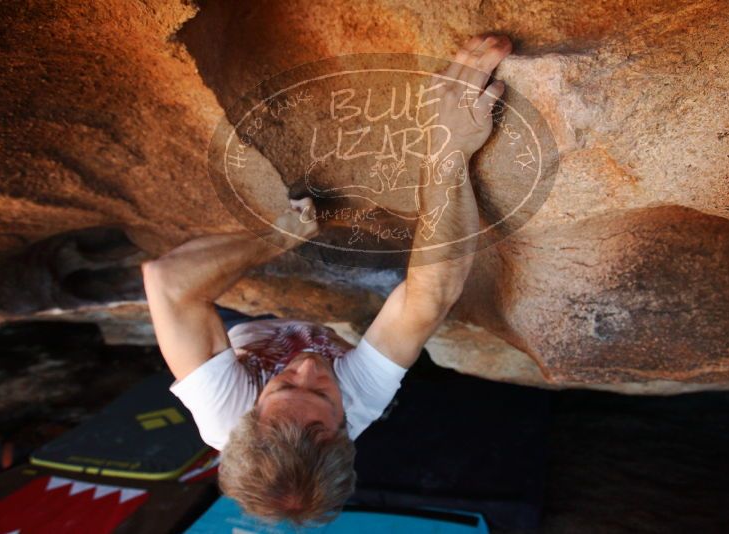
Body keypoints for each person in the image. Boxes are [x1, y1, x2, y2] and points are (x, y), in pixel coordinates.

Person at [142, 33, 513, 525]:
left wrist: (281, 233)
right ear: (342, 425)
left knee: (194, 280)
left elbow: (166, 281)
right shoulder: (356, 407)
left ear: (250, 417)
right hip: (339, 335)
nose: (304, 367)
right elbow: (429, 297)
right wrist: (448, 147)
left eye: (281, 388)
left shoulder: (223, 415)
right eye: (321, 393)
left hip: (246, 330)